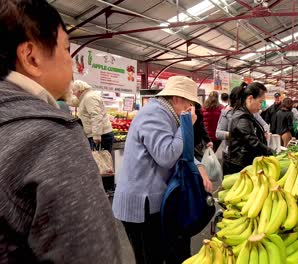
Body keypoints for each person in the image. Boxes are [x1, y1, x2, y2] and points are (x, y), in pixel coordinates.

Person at [0, 1, 125, 263]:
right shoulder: (51, 137)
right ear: (31, 57)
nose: (71, 61)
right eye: (67, 49)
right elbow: (93, 254)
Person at [112, 76, 212, 264]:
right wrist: (186, 125)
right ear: (176, 98)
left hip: (156, 202)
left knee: (163, 254)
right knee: (150, 258)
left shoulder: (169, 115)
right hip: (141, 206)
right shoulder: (154, 114)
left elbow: (182, 150)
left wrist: (199, 166)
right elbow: (166, 155)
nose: (191, 108)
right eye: (189, 102)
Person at [224, 82, 274, 175]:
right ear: (250, 98)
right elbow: (252, 141)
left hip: (243, 163)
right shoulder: (241, 118)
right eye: (260, 102)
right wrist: (271, 152)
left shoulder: (246, 114)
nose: (261, 105)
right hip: (239, 166)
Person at [72, 80, 114, 153]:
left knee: (101, 162)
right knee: (98, 161)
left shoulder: (89, 97)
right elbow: (73, 101)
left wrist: (96, 135)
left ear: (79, 90)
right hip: (98, 134)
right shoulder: (84, 97)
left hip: (102, 135)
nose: (73, 93)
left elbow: (96, 116)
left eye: (74, 91)